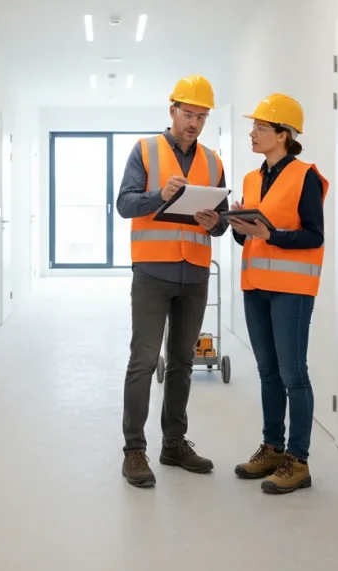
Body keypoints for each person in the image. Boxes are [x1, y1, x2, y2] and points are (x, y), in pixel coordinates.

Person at [116, 74, 230, 488]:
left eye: (201, 116)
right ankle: (134, 451)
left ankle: (174, 444)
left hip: (194, 274)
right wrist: (159, 196)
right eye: (188, 114)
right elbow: (125, 204)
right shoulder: (145, 151)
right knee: (144, 362)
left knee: (182, 362)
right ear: (173, 111)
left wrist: (215, 222)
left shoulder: (213, 161)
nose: (194, 123)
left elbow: (222, 223)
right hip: (152, 272)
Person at [226, 93, 329, 495]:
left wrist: (272, 234)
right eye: (253, 127)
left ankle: (297, 462)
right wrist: (238, 227)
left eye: (260, 127)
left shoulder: (305, 176)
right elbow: (250, 239)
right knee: (267, 372)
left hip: (292, 291)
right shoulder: (252, 179)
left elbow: (314, 235)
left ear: (283, 134)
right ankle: (272, 449)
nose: (252, 133)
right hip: (256, 287)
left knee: (293, 375)